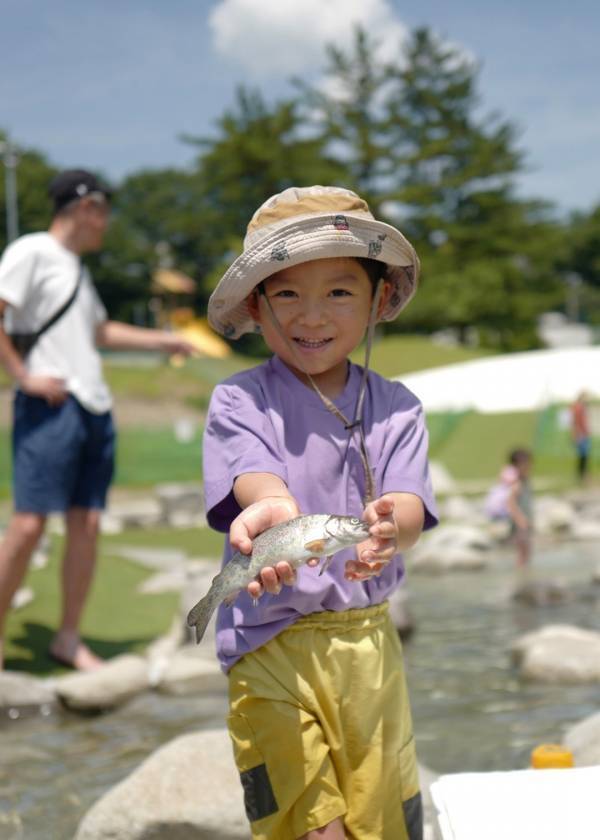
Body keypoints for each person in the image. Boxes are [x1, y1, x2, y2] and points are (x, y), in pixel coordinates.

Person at [203, 186, 438, 840]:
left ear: (379, 300)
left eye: (338, 291)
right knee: (306, 823)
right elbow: (256, 477)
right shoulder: (239, 399)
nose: (311, 315)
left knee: (381, 816)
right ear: (256, 304)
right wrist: (272, 508)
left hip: (367, 645)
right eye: (286, 294)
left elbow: (413, 504)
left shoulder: (398, 408)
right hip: (266, 640)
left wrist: (396, 523)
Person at [0, 169, 195, 672]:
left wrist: (163, 341)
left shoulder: (77, 271)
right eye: (105, 212)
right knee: (27, 525)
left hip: (93, 407)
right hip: (50, 406)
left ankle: (68, 638)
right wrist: (23, 376)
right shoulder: (31, 252)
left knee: (86, 523)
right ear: (88, 208)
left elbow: (99, 330)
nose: (107, 225)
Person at [486, 448, 534, 568]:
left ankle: (524, 569)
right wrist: (521, 519)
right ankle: (521, 570)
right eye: (526, 465)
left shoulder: (524, 481)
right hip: (519, 523)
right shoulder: (517, 484)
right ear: (517, 466)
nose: (529, 467)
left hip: (523, 521)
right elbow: (510, 503)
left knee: (526, 548)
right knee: (523, 549)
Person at [570, 391, 591, 485]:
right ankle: (582, 475)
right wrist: (578, 434)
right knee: (583, 455)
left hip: (583, 434)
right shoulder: (578, 407)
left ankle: (583, 474)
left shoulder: (580, 407)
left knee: (584, 455)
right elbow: (577, 422)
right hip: (581, 434)